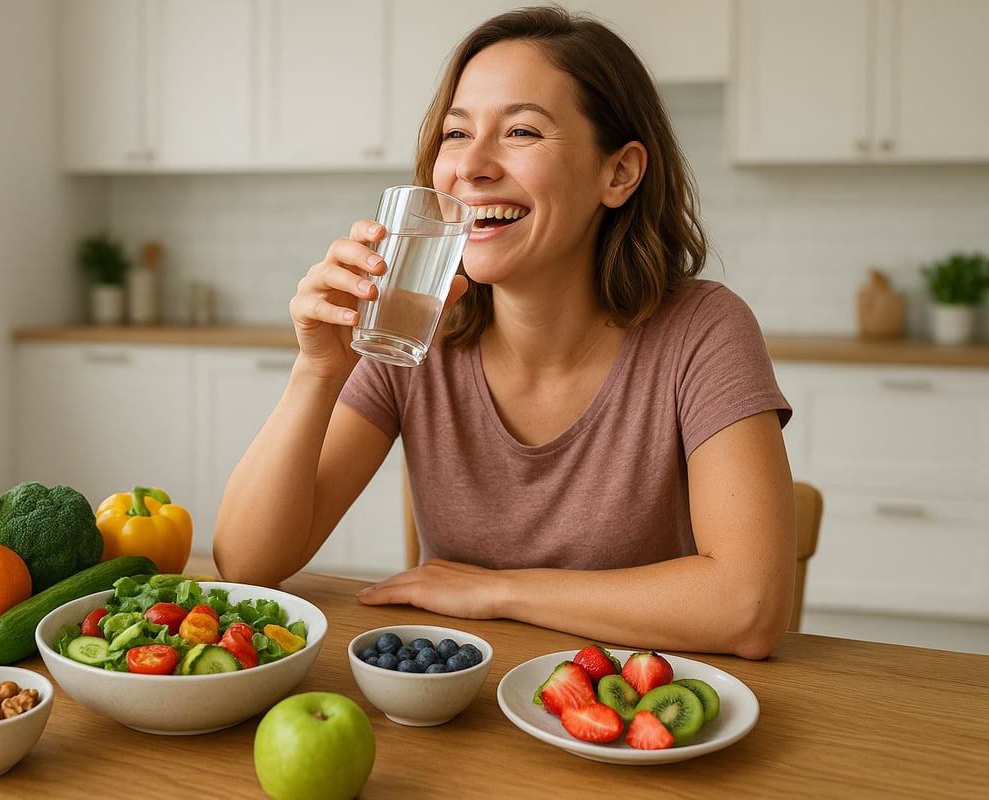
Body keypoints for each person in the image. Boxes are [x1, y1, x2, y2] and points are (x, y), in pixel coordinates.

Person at [213, 6, 796, 660]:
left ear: (619, 173)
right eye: (456, 134)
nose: (473, 167)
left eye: (521, 131)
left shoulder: (702, 332)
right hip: (466, 710)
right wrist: (316, 371)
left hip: (629, 712)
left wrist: (499, 592)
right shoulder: (412, 332)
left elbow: (749, 608)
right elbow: (245, 563)